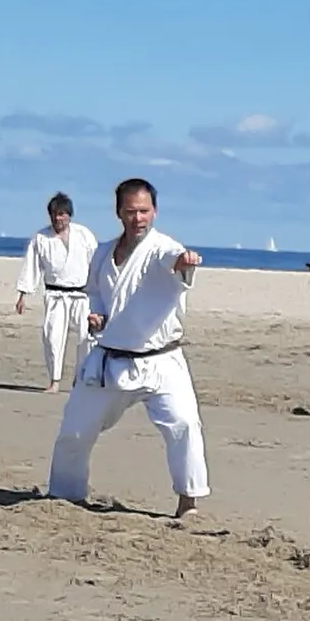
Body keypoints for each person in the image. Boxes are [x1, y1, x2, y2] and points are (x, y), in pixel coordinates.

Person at [47, 177, 210, 515]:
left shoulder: (163, 248)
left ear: (155, 211)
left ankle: (188, 501)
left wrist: (185, 260)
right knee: (75, 431)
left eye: (145, 211)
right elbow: (96, 295)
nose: (139, 219)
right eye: (132, 211)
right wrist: (97, 316)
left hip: (161, 360)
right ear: (119, 212)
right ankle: (65, 494)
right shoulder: (104, 253)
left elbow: (175, 259)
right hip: (110, 358)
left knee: (183, 424)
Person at [12, 192, 99, 392]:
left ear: (69, 215)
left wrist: (101, 292)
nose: (58, 218)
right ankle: (54, 380)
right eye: (54, 214)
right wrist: (23, 294)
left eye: (62, 214)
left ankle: (81, 378)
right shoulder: (41, 238)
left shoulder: (84, 234)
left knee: (87, 338)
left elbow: (97, 263)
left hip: (82, 295)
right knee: (52, 337)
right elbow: (32, 266)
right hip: (55, 295)